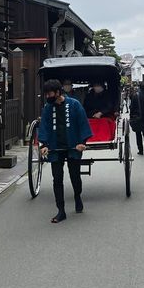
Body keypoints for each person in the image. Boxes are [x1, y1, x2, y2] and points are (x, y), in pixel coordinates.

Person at [38, 78, 92, 223]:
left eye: (50, 94)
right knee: (57, 178)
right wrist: (44, 145)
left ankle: (77, 196)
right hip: (56, 148)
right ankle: (61, 210)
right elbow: (43, 127)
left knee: (74, 175)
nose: (48, 97)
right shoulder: (47, 109)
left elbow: (82, 124)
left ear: (58, 92)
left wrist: (82, 142)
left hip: (73, 145)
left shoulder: (74, 105)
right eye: (46, 94)